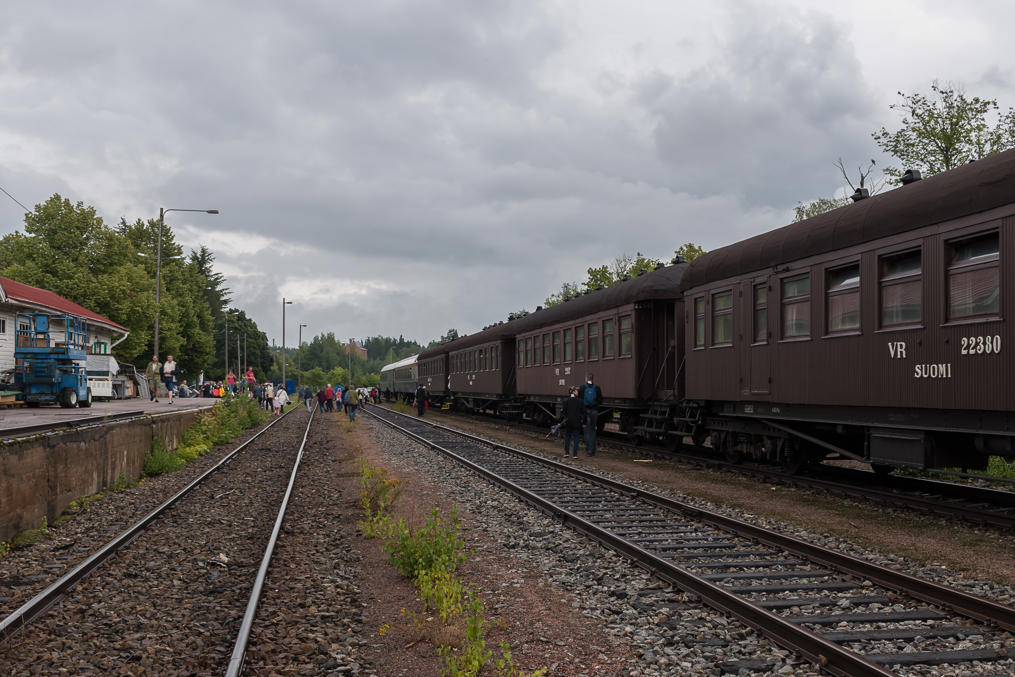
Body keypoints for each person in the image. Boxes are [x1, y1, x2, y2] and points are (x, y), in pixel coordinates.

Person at [578, 374, 603, 456]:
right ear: (592, 379)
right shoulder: (597, 388)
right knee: (593, 430)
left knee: (586, 431)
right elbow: (600, 400)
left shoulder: (582, 387)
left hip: (585, 412)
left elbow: (579, 400)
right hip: (594, 411)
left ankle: (589, 450)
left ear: (586, 379)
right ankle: (593, 450)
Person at [558, 386, 586, 459]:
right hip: (577, 422)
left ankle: (566, 453)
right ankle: (575, 455)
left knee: (567, 437)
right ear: (573, 392)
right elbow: (584, 413)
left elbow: (562, 413)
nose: (578, 392)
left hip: (568, 422)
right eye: (576, 391)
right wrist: (584, 423)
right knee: (576, 438)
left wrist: (560, 422)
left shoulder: (565, 401)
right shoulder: (580, 401)